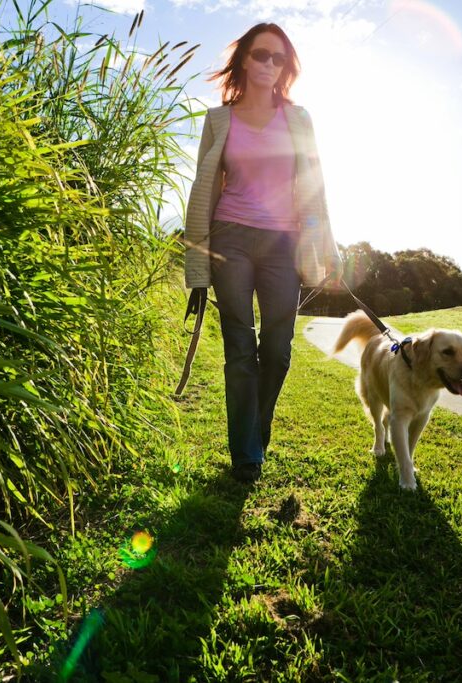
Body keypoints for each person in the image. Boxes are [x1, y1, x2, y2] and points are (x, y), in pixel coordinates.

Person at [183, 22, 343, 483]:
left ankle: (258, 426)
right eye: (260, 55)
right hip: (229, 236)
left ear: (285, 67)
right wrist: (197, 269)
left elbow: (315, 186)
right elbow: (202, 191)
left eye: (278, 58)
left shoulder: (299, 119)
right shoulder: (218, 119)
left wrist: (326, 244)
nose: (269, 64)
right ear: (244, 61)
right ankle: (246, 457)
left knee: (276, 348)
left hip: (283, 244)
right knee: (239, 344)